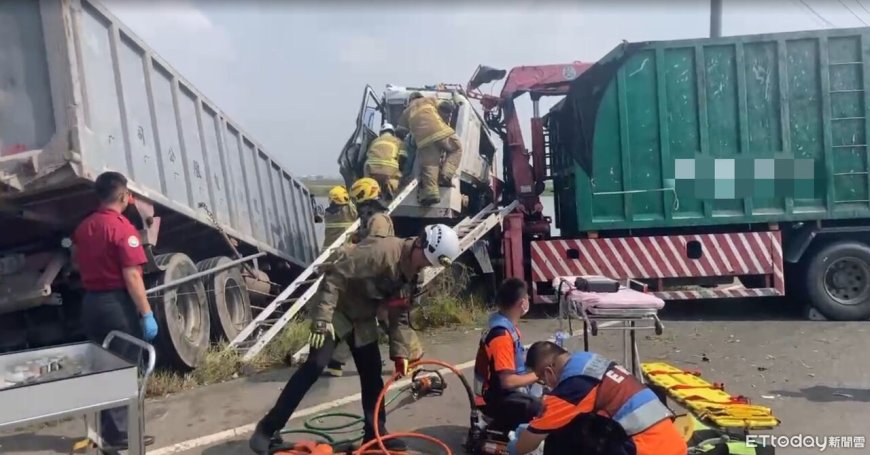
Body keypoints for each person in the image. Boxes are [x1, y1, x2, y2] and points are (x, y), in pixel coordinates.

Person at [248, 224, 462, 454]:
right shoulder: (382, 252)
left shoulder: (413, 273)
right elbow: (335, 276)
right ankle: (266, 430)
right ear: (420, 242)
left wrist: (401, 353)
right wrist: (322, 320)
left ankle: (375, 433)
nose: (425, 266)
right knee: (314, 366)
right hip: (337, 310)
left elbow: (399, 314)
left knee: (372, 374)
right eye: (426, 261)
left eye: (430, 264)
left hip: (362, 318)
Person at [72, 171, 157, 450]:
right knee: (123, 365)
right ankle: (119, 433)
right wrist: (146, 313)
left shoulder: (84, 227)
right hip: (116, 305)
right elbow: (132, 276)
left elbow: (76, 263)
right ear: (124, 196)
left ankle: (104, 429)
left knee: (101, 367)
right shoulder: (122, 229)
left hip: (91, 303)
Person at [508, 342, 687, 455]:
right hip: (672, 443)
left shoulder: (573, 387)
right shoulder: (587, 361)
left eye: (542, 379)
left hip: (646, 448)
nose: (545, 385)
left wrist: (513, 447)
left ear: (548, 372)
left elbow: (528, 444)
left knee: (559, 437)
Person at [472, 278, 542, 433]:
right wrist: (539, 375)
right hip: (496, 398)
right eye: (527, 297)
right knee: (541, 407)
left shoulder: (505, 324)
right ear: (522, 303)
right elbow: (507, 381)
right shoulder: (501, 335)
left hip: (497, 391)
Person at [397, 92, 463, 205]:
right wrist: (455, 103)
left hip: (423, 140)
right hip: (440, 132)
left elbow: (400, 131)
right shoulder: (428, 100)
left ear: (409, 101)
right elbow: (445, 106)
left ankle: (432, 194)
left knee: (430, 166)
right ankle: (446, 174)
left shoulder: (406, 112)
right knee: (456, 149)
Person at [364, 123, 406, 201]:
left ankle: (369, 190)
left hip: (372, 172)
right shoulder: (398, 141)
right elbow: (403, 157)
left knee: (367, 166)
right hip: (389, 171)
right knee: (398, 177)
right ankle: (390, 187)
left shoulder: (374, 141)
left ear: (381, 133)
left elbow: (367, 155)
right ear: (393, 133)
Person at [349, 177, 394, 242]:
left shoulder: (374, 212)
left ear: (363, 193)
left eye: (356, 196)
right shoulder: (377, 207)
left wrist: (358, 236)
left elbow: (374, 238)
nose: (354, 201)